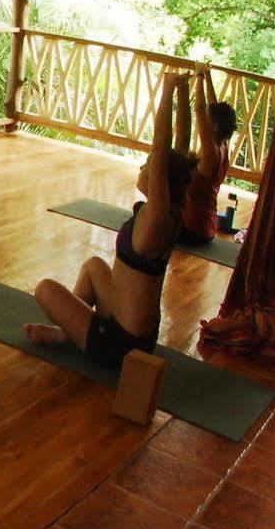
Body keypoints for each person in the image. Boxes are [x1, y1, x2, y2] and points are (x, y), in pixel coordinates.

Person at [25, 71, 191, 367]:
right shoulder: (170, 212)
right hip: (133, 330)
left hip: (121, 344)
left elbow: (163, 144)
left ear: (159, 179)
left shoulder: (156, 219)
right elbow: (179, 148)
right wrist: (183, 90)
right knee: (93, 267)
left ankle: (70, 335)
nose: (142, 167)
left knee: (45, 289)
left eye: (148, 166)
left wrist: (166, 89)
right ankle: (69, 332)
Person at [175, 68, 239, 244]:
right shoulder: (224, 146)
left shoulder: (211, 152)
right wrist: (207, 76)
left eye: (209, 120)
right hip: (208, 228)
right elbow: (213, 106)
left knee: (142, 210)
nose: (206, 121)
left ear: (216, 126)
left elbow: (200, 109)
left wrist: (200, 79)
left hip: (193, 229)